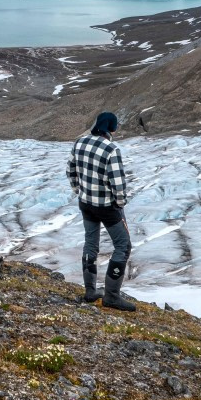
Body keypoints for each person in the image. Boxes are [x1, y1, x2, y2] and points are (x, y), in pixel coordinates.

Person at [67, 111, 135, 311]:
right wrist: (120, 203)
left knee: (91, 243)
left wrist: (78, 189)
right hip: (106, 206)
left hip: (86, 203)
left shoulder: (80, 142)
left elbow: (70, 169)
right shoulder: (111, 149)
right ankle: (112, 296)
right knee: (123, 246)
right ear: (111, 128)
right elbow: (118, 183)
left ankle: (90, 291)